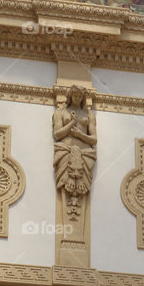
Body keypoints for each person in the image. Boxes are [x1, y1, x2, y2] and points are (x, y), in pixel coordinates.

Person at [53, 86, 97, 218]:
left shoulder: (89, 115)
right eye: (75, 96)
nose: (77, 98)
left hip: (85, 154)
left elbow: (94, 139)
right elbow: (57, 134)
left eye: (80, 96)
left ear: (83, 98)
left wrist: (80, 135)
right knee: (67, 184)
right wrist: (71, 123)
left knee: (81, 186)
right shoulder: (61, 112)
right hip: (65, 151)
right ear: (70, 96)